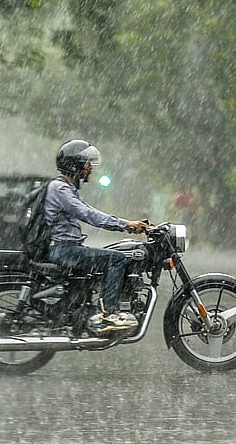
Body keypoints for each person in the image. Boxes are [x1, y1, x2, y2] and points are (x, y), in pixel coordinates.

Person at [44, 139, 149, 334]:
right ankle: (108, 315)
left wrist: (126, 223)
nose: (90, 168)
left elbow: (88, 209)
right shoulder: (60, 188)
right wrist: (124, 224)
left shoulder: (67, 188)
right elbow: (86, 213)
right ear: (73, 164)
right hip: (63, 249)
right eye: (86, 164)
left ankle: (83, 311)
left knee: (101, 263)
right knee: (116, 259)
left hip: (66, 247)